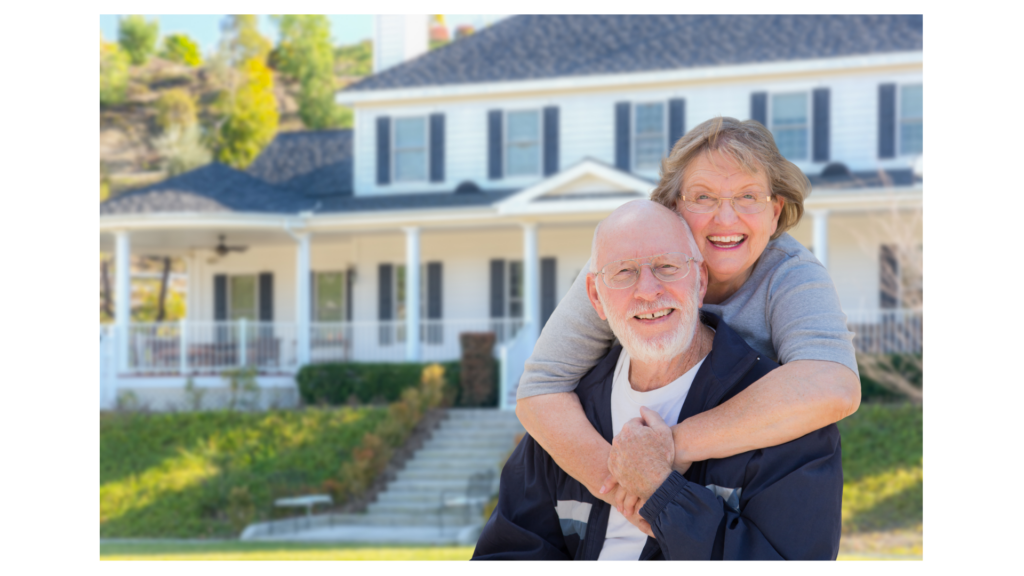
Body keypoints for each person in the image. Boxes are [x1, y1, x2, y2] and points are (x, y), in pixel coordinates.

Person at [514, 117, 859, 520]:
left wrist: (670, 447)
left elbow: (834, 385)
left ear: (775, 210)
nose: (726, 219)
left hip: (744, 488)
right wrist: (624, 490)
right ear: (672, 207)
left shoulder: (791, 273)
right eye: (703, 197)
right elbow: (539, 389)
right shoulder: (621, 267)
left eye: (748, 196)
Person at [473, 201, 842, 560]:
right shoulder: (568, 419)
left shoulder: (785, 419)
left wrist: (664, 496)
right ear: (595, 297)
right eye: (623, 272)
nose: (647, 290)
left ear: (700, 281)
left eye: (667, 266)